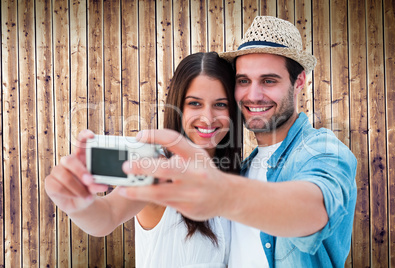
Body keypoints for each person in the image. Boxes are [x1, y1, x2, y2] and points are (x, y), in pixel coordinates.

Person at [119, 16, 357, 267]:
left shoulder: (321, 150)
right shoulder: (240, 169)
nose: (253, 95)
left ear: (299, 82)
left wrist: (222, 194)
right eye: (243, 81)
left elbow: (315, 209)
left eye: (269, 80)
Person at [45, 52, 242, 267]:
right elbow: (108, 215)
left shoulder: (239, 177)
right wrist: (78, 205)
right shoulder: (160, 170)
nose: (208, 117)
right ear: (178, 108)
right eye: (195, 103)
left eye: (220, 105)